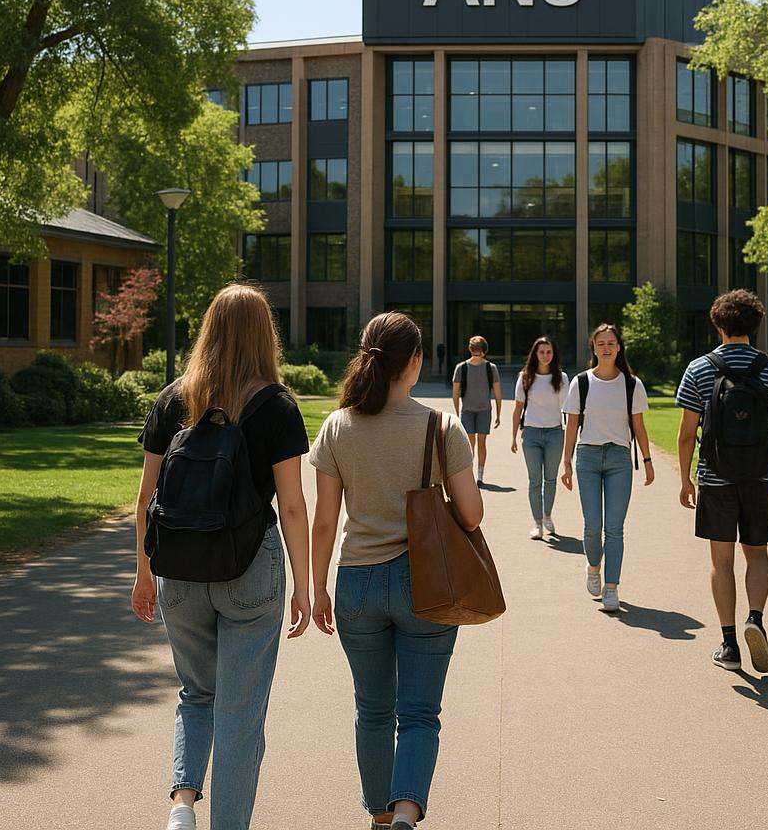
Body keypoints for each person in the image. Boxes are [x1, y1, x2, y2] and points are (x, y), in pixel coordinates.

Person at [131, 284, 311, 830]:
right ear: (264, 336)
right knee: (240, 713)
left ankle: (182, 805)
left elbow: (146, 497)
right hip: (249, 571)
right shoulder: (275, 405)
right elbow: (294, 507)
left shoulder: (173, 399)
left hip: (179, 572)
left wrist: (143, 573)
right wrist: (305, 585)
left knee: (196, 694)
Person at [308, 312, 482, 830]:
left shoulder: (338, 425)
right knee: (420, 713)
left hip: (357, 582)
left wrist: (315, 587)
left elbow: (324, 520)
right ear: (415, 361)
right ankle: (408, 809)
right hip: (425, 584)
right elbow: (471, 514)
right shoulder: (439, 425)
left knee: (373, 711)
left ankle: (381, 818)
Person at [676, 290, 768, 675]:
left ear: (718, 324)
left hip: (716, 475)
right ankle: (755, 619)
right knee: (757, 553)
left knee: (721, 560)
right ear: (755, 324)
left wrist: (686, 479)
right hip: (760, 475)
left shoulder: (699, 369)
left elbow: (685, 434)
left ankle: (729, 643)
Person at [561, 323, 654, 612]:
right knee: (592, 526)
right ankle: (593, 566)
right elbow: (572, 424)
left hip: (619, 460)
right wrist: (566, 462)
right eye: (600, 343)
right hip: (587, 458)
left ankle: (611, 587)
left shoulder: (631, 384)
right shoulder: (581, 382)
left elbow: (638, 426)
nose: (606, 347)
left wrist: (648, 461)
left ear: (618, 347)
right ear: (594, 347)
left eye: (611, 343)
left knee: (614, 528)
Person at [511, 336, 568, 541]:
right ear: (535, 354)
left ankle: (547, 515)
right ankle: (537, 523)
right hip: (532, 434)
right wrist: (514, 437)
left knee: (550, 480)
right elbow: (518, 408)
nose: (545, 356)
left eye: (549, 352)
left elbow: (568, 409)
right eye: (542, 352)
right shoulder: (525, 376)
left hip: (554, 433)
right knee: (534, 480)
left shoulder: (561, 378)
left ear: (554, 354)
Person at [452, 335, 502, 485]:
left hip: (470, 410)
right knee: (480, 443)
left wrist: (457, 411)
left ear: (470, 349)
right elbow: (498, 393)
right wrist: (498, 414)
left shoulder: (463, 367)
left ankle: (474, 475)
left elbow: (455, 393)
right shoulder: (488, 368)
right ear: (484, 349)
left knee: (472, 443)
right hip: (481, 410)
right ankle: (478, 475)